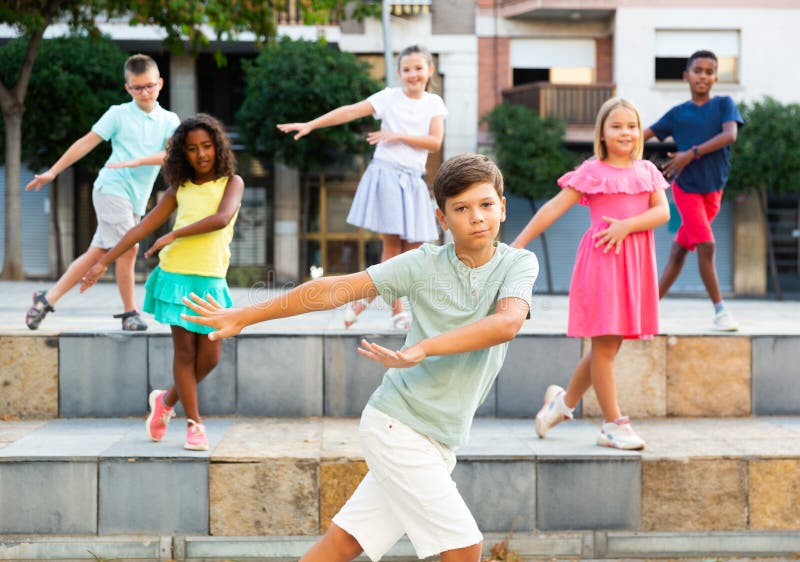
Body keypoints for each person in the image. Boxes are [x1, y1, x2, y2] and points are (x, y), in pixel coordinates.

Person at [181, 153, 538, 562]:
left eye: (486, 205)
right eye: (461, 209)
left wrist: (424, 347)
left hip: (439, 437)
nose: (476, 217)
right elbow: (335, 290)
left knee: (342, 545)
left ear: (503, 207)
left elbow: (507, 322)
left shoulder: (518, 264)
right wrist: (246, 314)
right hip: (399, 426)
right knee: (463, 545)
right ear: (442, 219)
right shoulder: (422, 263)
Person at [512, 98, 670, 450]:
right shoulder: (591, 171)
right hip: (601, 262)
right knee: (604, 343)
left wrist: (627, 226)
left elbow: (662, 213)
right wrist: (519, 242)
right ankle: (613, 424)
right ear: (602, 132)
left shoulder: (646, 171)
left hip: (633, 263)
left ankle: (562, 404)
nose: (625, 132)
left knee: (608, 345)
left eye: (631, 125)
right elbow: (554, 207)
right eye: (616, 126)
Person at [80, 114, 244, 451]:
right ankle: (195, 424)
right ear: (182, 154)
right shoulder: (179, 189)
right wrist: (102, 263)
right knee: (185, 354)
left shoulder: (232, 182)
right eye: (192, 149)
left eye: (207, 147)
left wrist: (174, 233)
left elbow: (221, 219)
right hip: (177, 277)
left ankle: (166, 401)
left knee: (210, 357)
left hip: (211, 279)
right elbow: (140, 228)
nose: (201, 155)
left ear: (217, 147)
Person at [278, 45, 447, 330]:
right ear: (398, 72)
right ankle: (397, 312)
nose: (413, 74)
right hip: (387, 176)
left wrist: (396, 135)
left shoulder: (434, 103)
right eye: (406, 69)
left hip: (414, 180)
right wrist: (311, 124)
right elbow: (351, 111)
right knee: (393, 248)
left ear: (430, 70)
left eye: (418, 68)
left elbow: (435, 143)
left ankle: (363, 301)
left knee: (414, 251)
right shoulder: (389, 98)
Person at [24, 54, 180, 331]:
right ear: (127, 88)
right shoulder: (118, 114)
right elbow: (86, 142)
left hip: (136, 198)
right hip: (111, 188)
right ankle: (130, 313)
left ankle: (46, 299)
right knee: (129, 247)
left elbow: (171, 154)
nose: (144, 92)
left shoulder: (170, 119)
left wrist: (138, 161)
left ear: (160, 84)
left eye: (149, 86)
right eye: (137, 87)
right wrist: (53, 171)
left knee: (97, 253)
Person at [643, 49, 744, 331]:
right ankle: (720, 311)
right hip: (686, 190)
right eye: (698, 70)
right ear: (686, 75)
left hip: (714, 191)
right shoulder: (678, 114)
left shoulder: (724, 104)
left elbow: (730, 135)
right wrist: (608, 148)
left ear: (715, 77)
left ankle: (645, 310)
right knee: (707, 245)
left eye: (709, 71)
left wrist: (690, 153)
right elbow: (643, 135)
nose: (703, 76)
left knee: (677, 253)